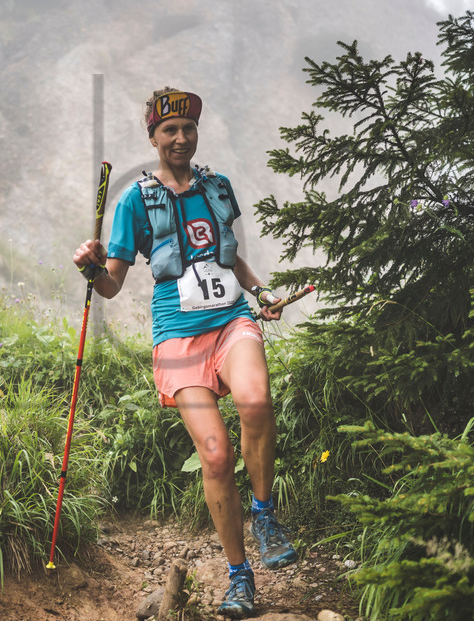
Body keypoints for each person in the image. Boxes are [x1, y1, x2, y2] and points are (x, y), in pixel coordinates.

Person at [72, 87, 297, 618]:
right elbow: (110, 287)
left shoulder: (217, 186)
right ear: (153, 138)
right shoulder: (134, 201)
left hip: (232, 320)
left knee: (256, 400)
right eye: (169, 130)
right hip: (177, 337)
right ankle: (239, 576)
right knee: (215, 455)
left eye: (188, 128)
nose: (180, 138)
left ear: (197, 133)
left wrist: (261, 291)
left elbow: (229, 257)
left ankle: (264, 514)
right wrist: (90, 267)